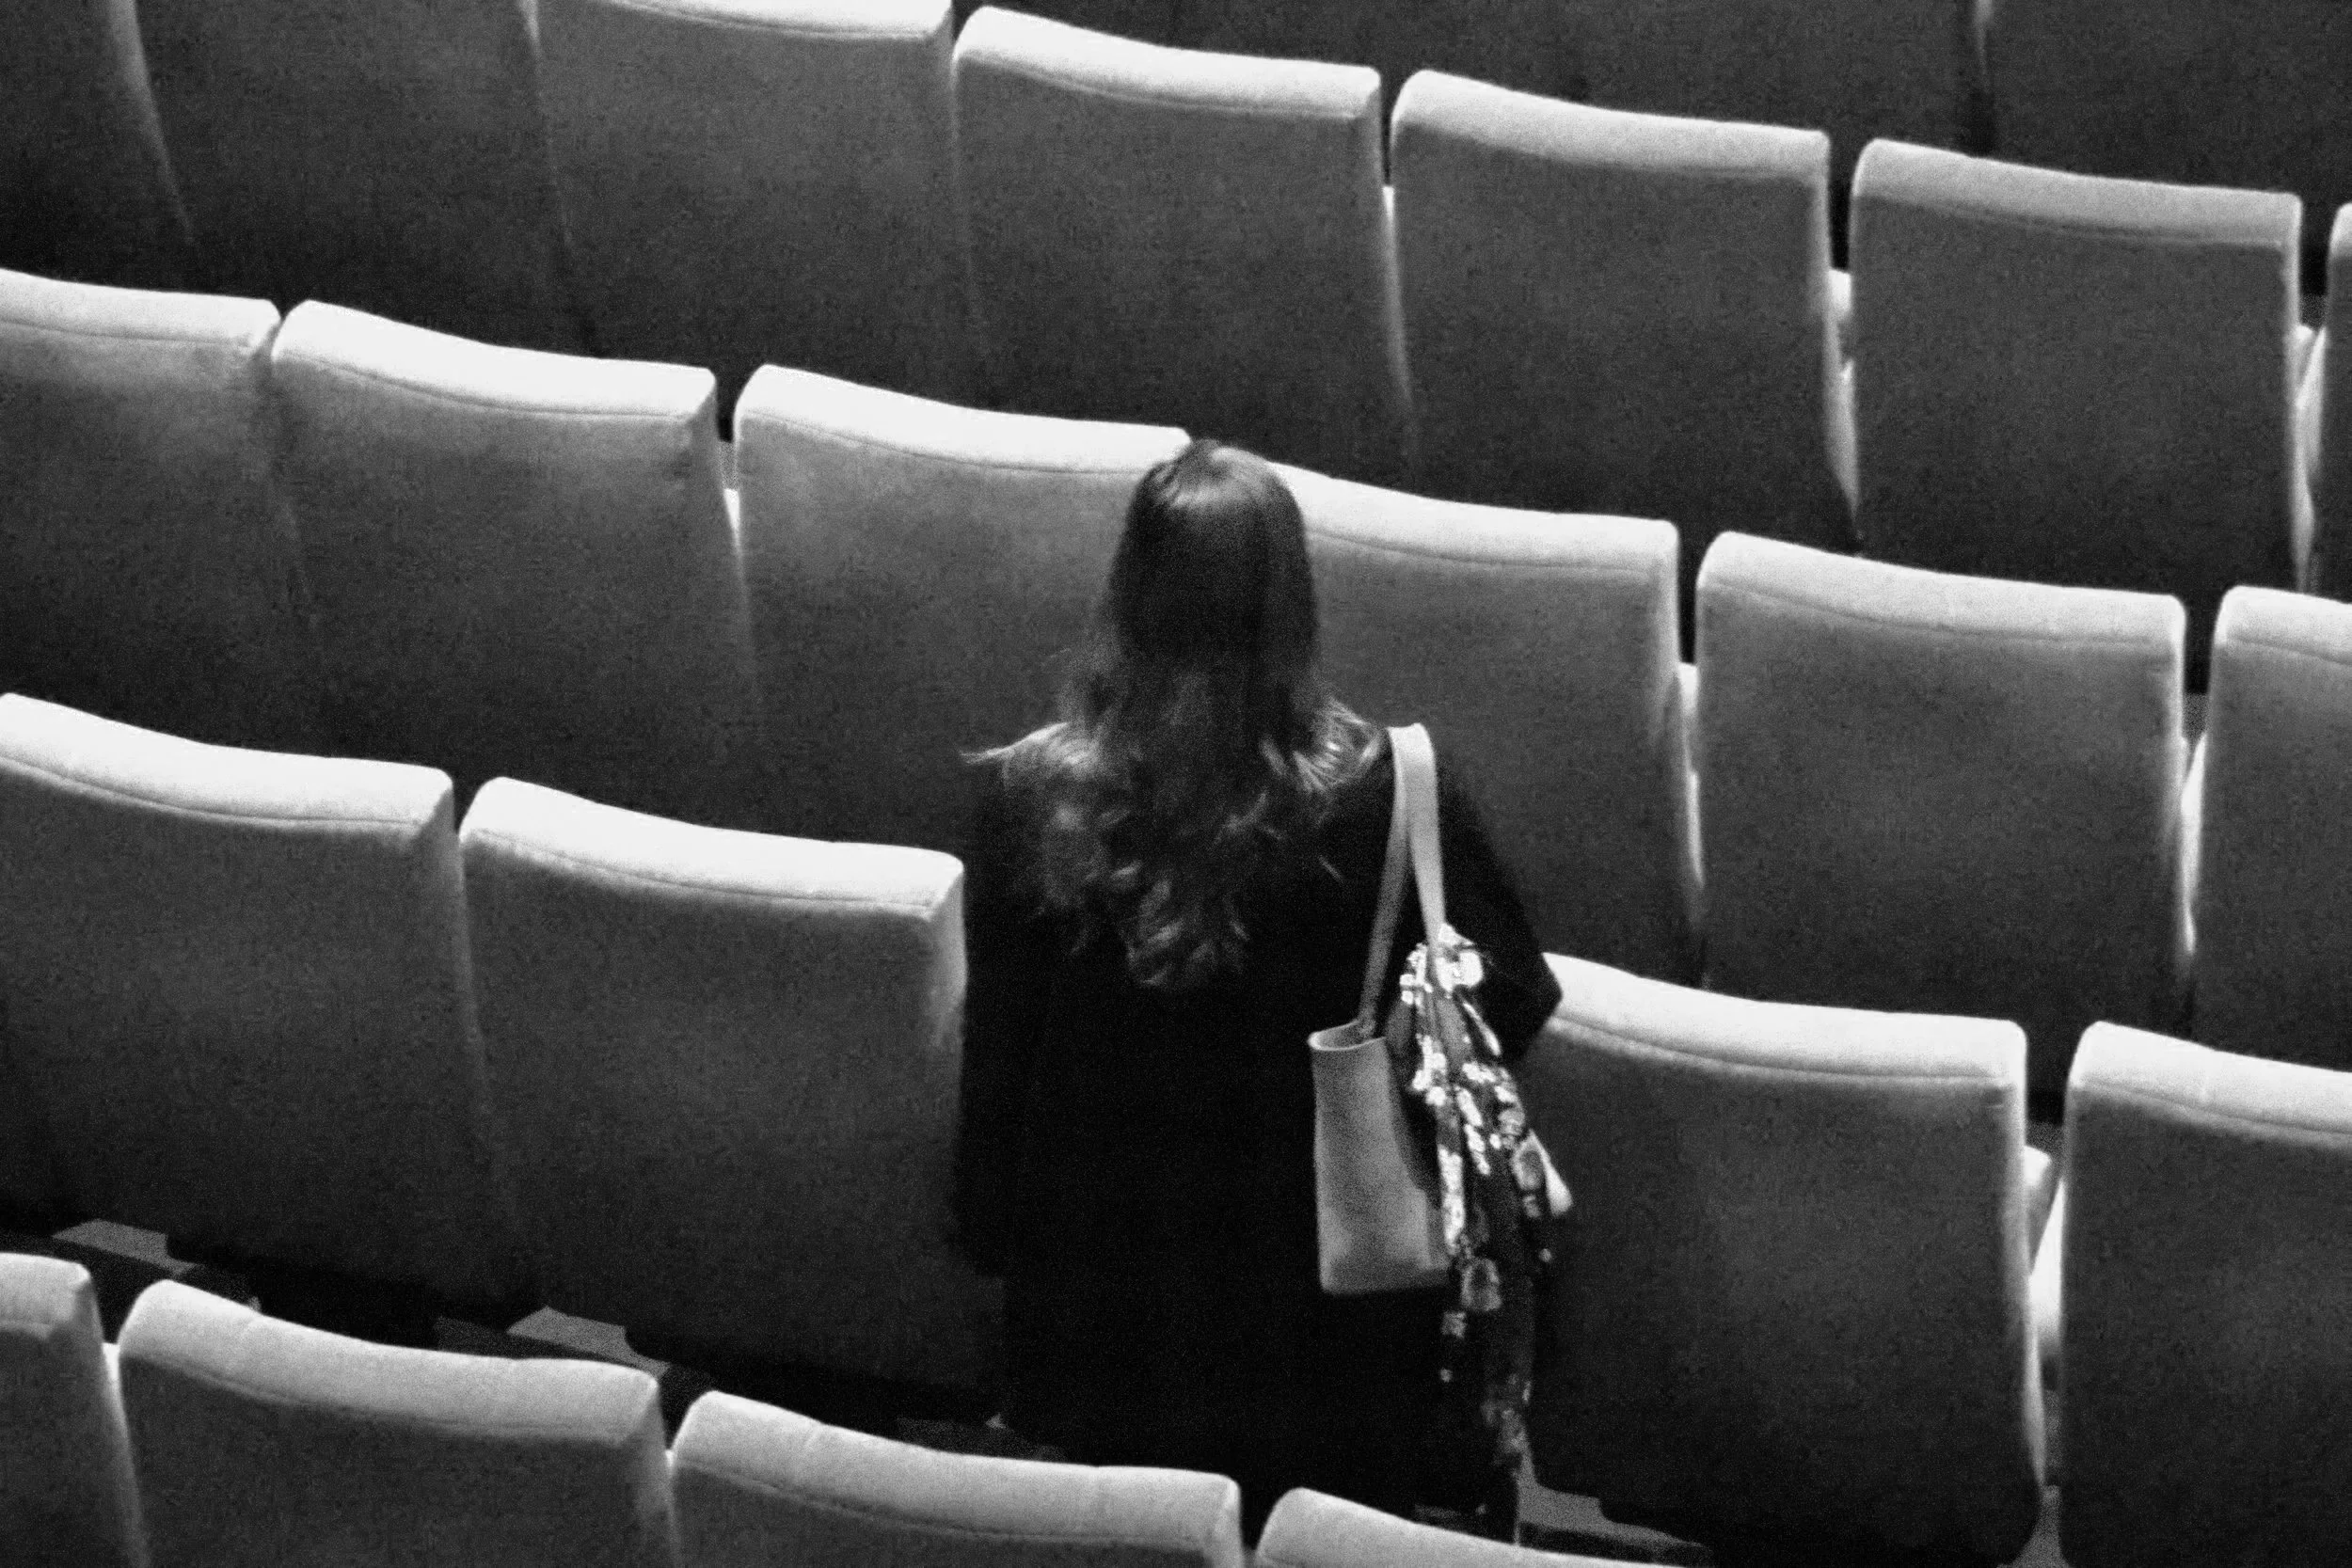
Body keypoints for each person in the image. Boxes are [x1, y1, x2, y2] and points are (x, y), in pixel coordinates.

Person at [953, 438, 1561, 1537]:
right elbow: (1512, 996)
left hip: (1102, 1310)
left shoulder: (1032, 796)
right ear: (1291, 605)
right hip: (1324, 1329)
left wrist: (999, 1254)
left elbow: (997, 1065)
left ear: (1126, 591)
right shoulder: (1388, 792)